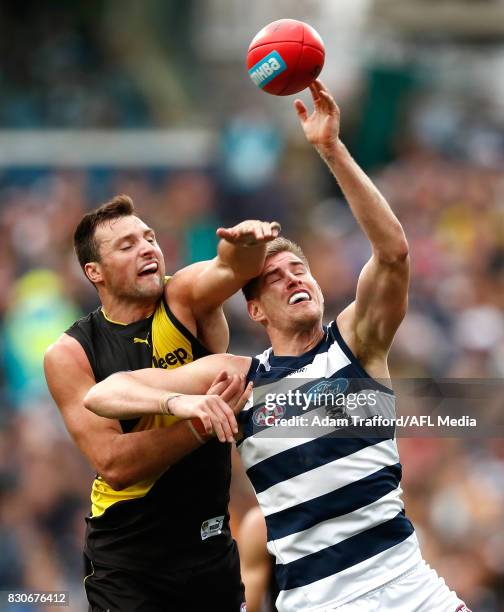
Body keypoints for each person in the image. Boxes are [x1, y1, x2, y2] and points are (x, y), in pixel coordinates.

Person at [84, 80, 470, 611]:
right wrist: (183, 401)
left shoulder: (355, 345)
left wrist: (330, 149)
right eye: (278, 277)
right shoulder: (241, 378)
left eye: (302, 270)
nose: (296, 280)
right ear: (256, 310)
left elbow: (394, 253)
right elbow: (105, 393)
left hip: (411, 594)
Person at [44, 196, 280, 612]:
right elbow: (115, 464)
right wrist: (197, 423)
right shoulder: (70, 354)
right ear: (93, 272)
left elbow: (230, 268)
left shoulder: (183, 297)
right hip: (129, 556)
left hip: (210, 547)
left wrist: (248, 244)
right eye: (127, 245)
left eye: (149, 238)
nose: (147, 248)